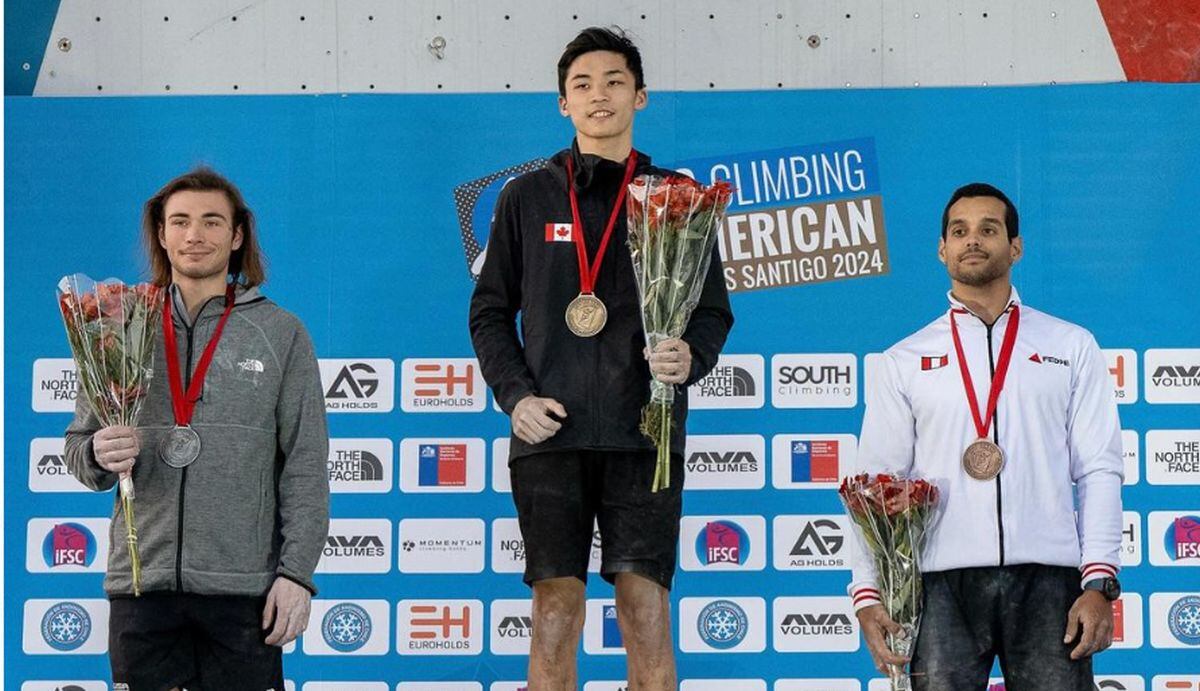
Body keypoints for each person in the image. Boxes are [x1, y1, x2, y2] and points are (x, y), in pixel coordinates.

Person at [468, 26, 733, 691]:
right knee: (556, 608)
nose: (599, 96)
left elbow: (711, 310)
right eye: (582, 85)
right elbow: (490, 312)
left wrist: (690, 355)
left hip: (645, 431)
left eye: (614, 81)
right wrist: (516, 397)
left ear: (640, 95)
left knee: (644, 609)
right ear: (563, 103)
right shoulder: (525, 196)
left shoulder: (677, 196)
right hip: (548, 433)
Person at [848, 182, 1124, 690]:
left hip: (1049, 579)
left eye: (988, 229)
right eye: (959, 231)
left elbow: (1099, 468)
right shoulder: (904, 360)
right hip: (938, 584)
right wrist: (867, 594)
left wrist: (1099, 583)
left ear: (1015, 247)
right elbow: (874, 489)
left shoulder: (1071, 345)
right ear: (942, 250)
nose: (972, 240)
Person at [65, 167, 330, 691]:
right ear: (161, 234)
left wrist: (296, 575)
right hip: (143, 588)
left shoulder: (280, 332)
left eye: (212, 222)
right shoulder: (118, 327)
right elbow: (79, 450)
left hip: (244, 593)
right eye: (180, 222)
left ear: (236, 237)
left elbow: (304, 465)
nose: (194, 235)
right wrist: (97, 451)